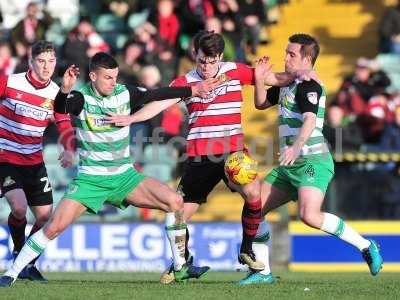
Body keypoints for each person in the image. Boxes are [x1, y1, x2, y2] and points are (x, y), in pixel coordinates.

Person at [106, 31, 315, 284]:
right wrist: (131, 118)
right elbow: (159, 104)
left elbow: (273, 78)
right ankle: (182, 262)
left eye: (212, 60)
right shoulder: (186, 82)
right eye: (202, 60)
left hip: (232, 153)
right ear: (196, 55)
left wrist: (302, 75)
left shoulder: (234, 70)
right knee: (177, 213)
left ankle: (247, 249)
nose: (206, 66)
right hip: (199, 157)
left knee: (253, 193)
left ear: (219, 57)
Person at [0, 52, 220, 288]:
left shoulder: (124, 93)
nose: (113, 82)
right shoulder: (80, 97)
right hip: (91, 180)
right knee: (53, 227)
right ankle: (11, 273)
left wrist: (192, 90)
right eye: (107, 78)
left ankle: (180, 267)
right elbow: (61, 108)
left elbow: (157, 93)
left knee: (175, 201)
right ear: (93, 76)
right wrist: (64, 89)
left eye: (115, 77)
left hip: (124, 177)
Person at [238, 33, 383, 285]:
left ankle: (365, 246)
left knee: (309, 215)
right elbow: (261, 104)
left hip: (312, 162)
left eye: (291, 54)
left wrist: (295, 147)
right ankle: (261, 273)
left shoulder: (309, 85)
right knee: (254, 209)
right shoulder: (289, 82)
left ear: (307, 58)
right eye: (285, 52)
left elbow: (309, 120)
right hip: (290, 164)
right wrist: (260, 79)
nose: (285, 58)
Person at [0, 40, 75, 283]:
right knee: (19, 207)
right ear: (31, 62)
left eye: (51, 61)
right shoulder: (10, 82)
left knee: (45, 217)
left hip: (34, 162)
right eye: (41, 61)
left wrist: (68, 148)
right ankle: (19, 253)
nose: (46, 66)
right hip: (6, 157)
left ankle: (26, 263)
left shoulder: (56, 93)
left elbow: (63, 121)